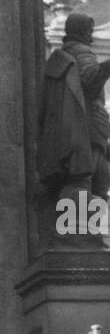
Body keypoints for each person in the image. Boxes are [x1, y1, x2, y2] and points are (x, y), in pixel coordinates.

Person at [37, 11, 110, 201]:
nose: (91, 37)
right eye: (90, 31)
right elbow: (91, 78)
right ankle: (85, 227)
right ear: (83, 30)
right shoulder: (81, 51)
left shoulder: (61, 55)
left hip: (73, 129)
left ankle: (79, 226)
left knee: (82, 181)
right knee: (95, 180)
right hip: (89, 126)